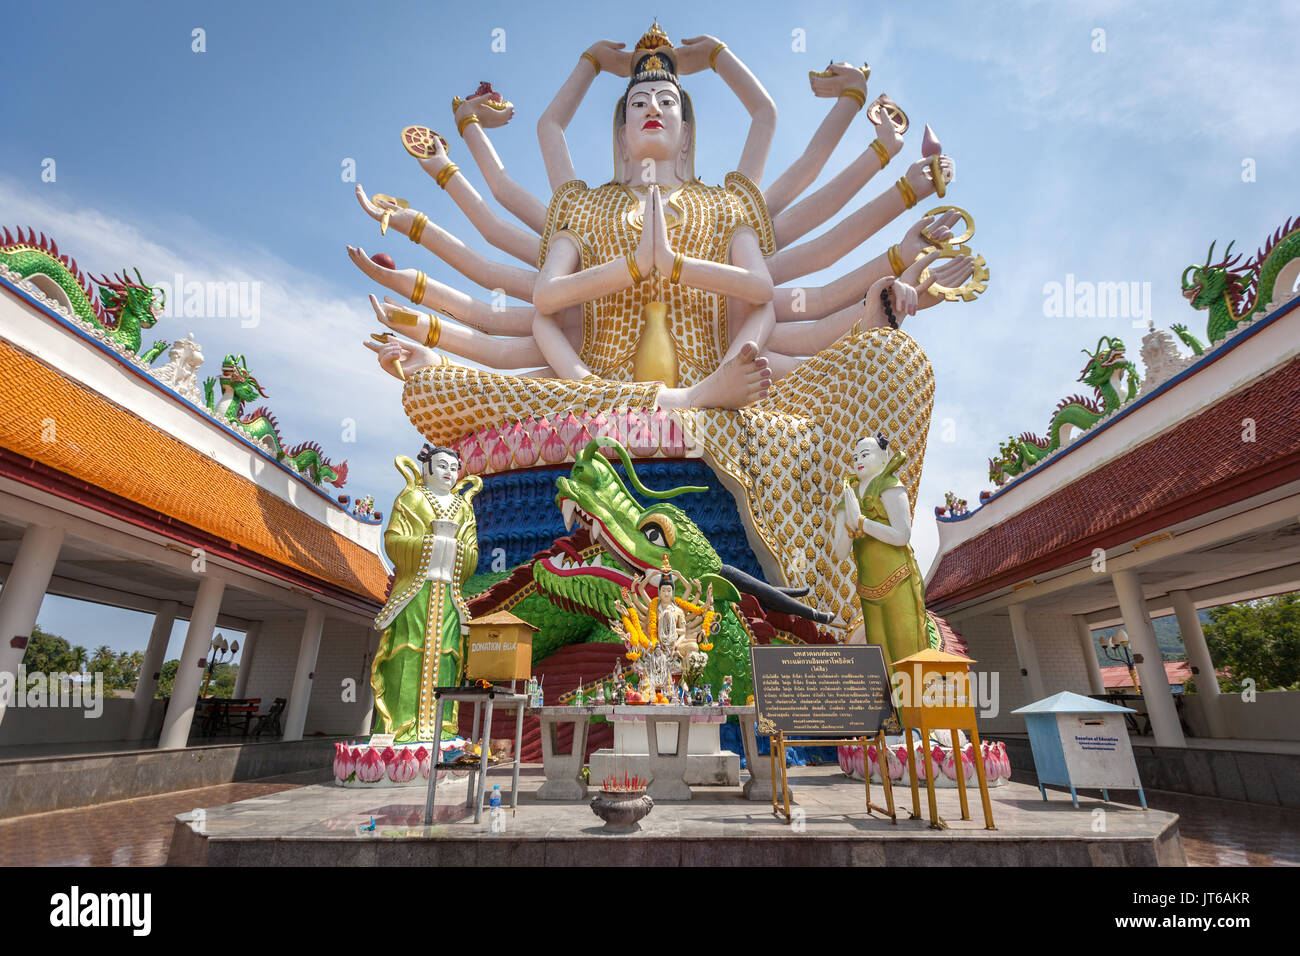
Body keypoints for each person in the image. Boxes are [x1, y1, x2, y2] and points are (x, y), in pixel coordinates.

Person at [371, 445, 481, 741]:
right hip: (415, 592)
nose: (448, 472)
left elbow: (471, 552)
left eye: (454, 467)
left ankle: (441, 730)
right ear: (426, 469)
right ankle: (398, 728)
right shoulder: (412, 498)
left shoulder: (464, 508)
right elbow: (394, 541)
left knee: (447, 657)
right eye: (442, 465)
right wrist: (431, 544)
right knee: (405, 654)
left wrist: (453, 548)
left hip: (448, 596)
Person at [832, 433, 928, 667]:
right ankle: (890, 704)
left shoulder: (889, 484)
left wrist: (863, 522)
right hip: (868, 588)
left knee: (907, 652)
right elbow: (840, 552)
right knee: (881, 659)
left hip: (899, 579)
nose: (858, 460)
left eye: (865, 454)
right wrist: (850, 525)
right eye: (854, 457)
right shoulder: (850, 494)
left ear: (884, 457)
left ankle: (915, 704)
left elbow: (902, 535)